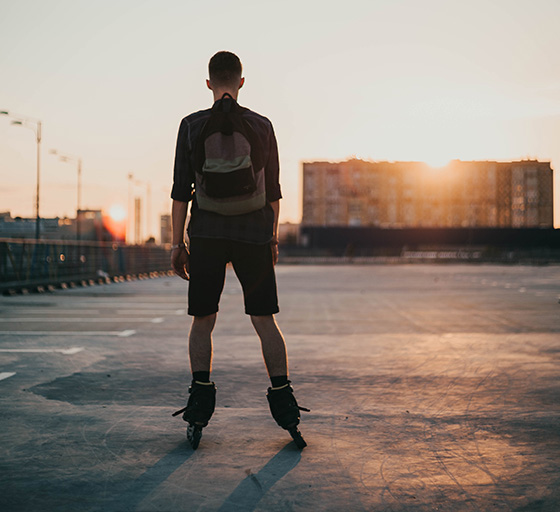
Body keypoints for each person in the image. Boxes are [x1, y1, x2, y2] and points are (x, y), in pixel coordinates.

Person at [170, 51, 307, 448]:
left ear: (209, 83)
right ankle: (285, 405)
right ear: (242, 82)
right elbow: (275, 193)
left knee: (203, 320)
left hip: (208, 234)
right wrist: (272, 237)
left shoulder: (192, 126)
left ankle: (199, 406)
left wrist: (178, 244)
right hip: (253, 234)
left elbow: (181, 193)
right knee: (265, 320)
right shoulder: (261, 125)